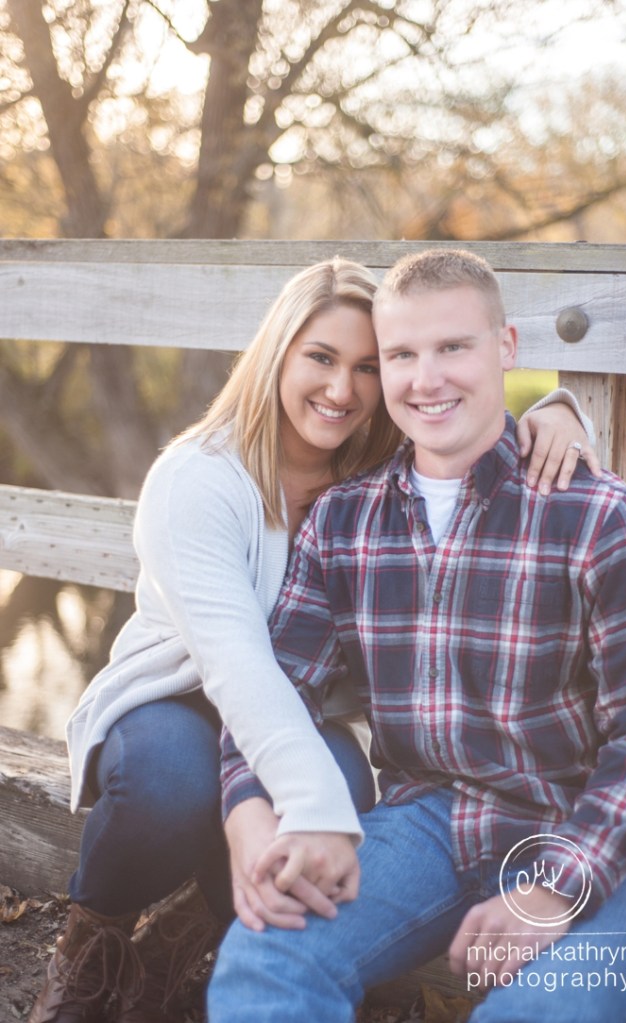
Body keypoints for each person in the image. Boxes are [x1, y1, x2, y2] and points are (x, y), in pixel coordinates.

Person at [28, 256, 595, 1023]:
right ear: (277, 353)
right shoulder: (197, 480)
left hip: (307, 713)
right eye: (320, 359)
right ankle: (93, 942)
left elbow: (470, 433)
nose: (342, 389)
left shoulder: (382, 474)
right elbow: (237, 668)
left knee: (346, 784)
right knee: (176, 783)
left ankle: (197, 941)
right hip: (179, 701)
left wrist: (557, 414)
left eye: (368, 366)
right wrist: (310, 813)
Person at [209, 248, 626, 1023]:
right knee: (265, 961)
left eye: (452, 347)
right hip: (422, 826)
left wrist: (551, 887)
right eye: (400, 355)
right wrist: (249, 801)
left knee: (548, 1011)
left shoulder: (598, 516)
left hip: (580, 832)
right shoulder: (344, 520)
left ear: (505, 348)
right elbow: (275, 684)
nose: (426, 380)